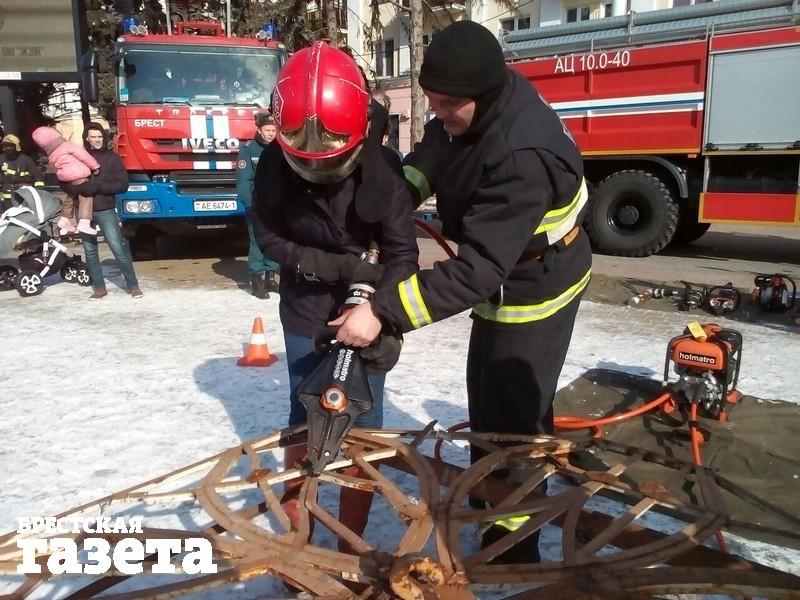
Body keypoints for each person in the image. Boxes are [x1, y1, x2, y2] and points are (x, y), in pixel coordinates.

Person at [331, 21, 592, 563]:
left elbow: (477, 273)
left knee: (514, 420)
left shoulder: (520, 156)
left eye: (448, 105)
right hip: (511, 269)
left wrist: (382, 311)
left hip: (537, 286)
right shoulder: (478, 103)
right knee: (489, 400)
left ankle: (511, 545)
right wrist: (398, 198)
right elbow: (439, 147)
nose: (439, 114)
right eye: (433, 101)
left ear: (484, 93)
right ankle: (488, 496)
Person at [251, 41, 418, 552]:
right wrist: (337, 266)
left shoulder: (384, 169)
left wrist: (380, 312)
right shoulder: (273, 165)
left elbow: (402, 255)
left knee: (362, 422)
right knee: (306, 414)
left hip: (367, 312)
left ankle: (351, 544)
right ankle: (299, 535)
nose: (319, 176)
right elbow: (269, 238)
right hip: (305, 307)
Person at [63, 123, 143, 300]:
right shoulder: (77, 158)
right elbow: (65, 181)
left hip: (105, 209)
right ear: (87, 138)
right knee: (90, 251)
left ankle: (133, 286)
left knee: (118, 248)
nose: (97, 140)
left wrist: (99, 187)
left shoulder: (113, 159)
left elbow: (123, 185)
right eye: (93, 137)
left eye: (99, 136)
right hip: (84, 212)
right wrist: (79, 189)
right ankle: (99, 288)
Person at [236, 112, 280, 299]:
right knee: (257, 241)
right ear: (259, 130)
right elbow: (243, 181)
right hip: (257, 204)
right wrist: (249, 204)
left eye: (274, 130)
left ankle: (271, 277)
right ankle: (256, 280)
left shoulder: (281, 148)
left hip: (276, 205)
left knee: (275, 240)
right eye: (267, 130)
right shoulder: (249, 150)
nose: (271, 134)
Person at [32, 125, 101, 236]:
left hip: (65, 178)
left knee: (71, 196)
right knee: (86, 195)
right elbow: (84, 156)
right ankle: (84, 221)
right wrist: (95, 166)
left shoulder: (51, 153)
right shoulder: (67, 146)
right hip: (78, 175)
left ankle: (64, 219)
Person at [1, 134, 44, 211]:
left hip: (23, 196)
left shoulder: (26, 160)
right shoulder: (1, 159)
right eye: (5, 146)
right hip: (7, 199)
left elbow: (38, 177)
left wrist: (39, 191)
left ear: (16, 146)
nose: (7, 148)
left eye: (10, 146)